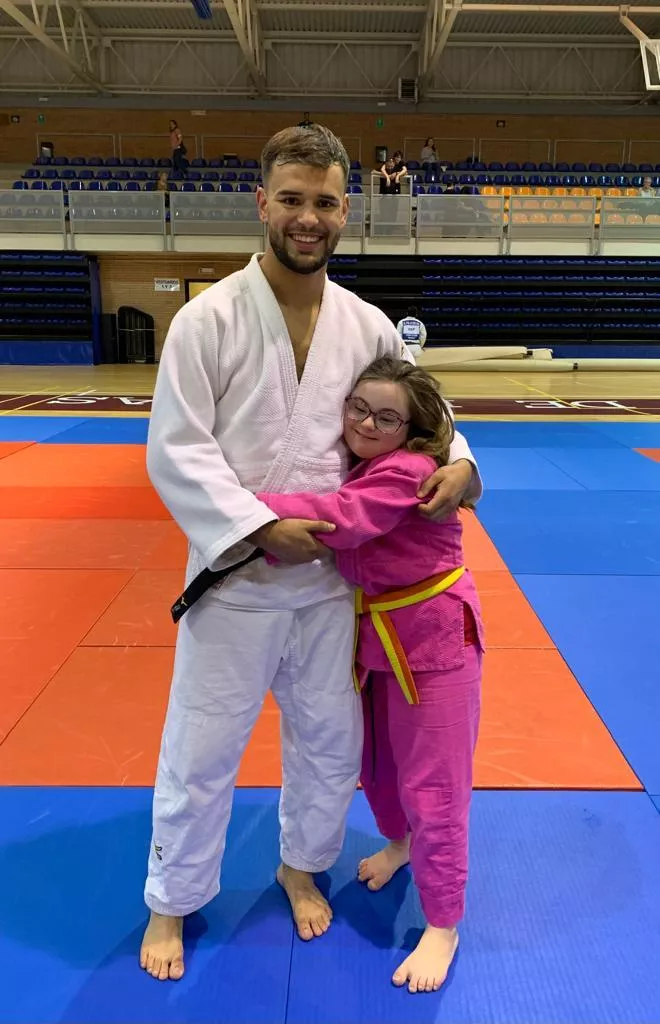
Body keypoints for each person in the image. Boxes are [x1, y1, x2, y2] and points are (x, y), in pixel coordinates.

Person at [139, 123, 481, 982]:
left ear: (344, 211)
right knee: (202, 747)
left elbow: (429, 419)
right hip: (234, 582)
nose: (308, 217)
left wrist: (468, 468)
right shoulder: (205, 319)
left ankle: (301, 866)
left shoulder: (368, 325)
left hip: (334, 584)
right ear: (262, 203)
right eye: (291, 199)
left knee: (329, 744)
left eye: (325, 202)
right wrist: (256, 527)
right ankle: (173, 901)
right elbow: (175, 449)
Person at [256, 357, 483, 994]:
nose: (366, 422)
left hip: (436, 639)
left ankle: (444, 923)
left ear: (411, 429)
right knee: (378, 768)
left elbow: (341, 519)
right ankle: (401, 843)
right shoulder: (361, 463)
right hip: (376, 638)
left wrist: (231, 500)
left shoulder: (408, 470)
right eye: (358, 407)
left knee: (435, 783)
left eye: (387, 416)